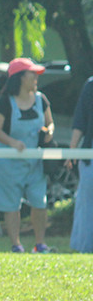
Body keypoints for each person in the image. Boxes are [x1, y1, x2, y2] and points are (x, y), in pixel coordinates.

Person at [0, 58, 54, 253]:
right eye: (31, 74)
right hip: (9, 163)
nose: (36, 78)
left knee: (39, 201)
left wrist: (49, 131)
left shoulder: (41, 99)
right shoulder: (3, 102)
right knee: (11, 204)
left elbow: (50, 122)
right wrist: (13, 142)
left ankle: (40, 244)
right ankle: (16, 244)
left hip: (34, 162)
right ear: (19, 78)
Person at [68, 75, 93, 253]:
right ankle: (84, 248)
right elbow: (80, 121)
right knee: (87, 204)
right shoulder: (90, 85)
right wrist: (73, 150)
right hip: (90, 155)